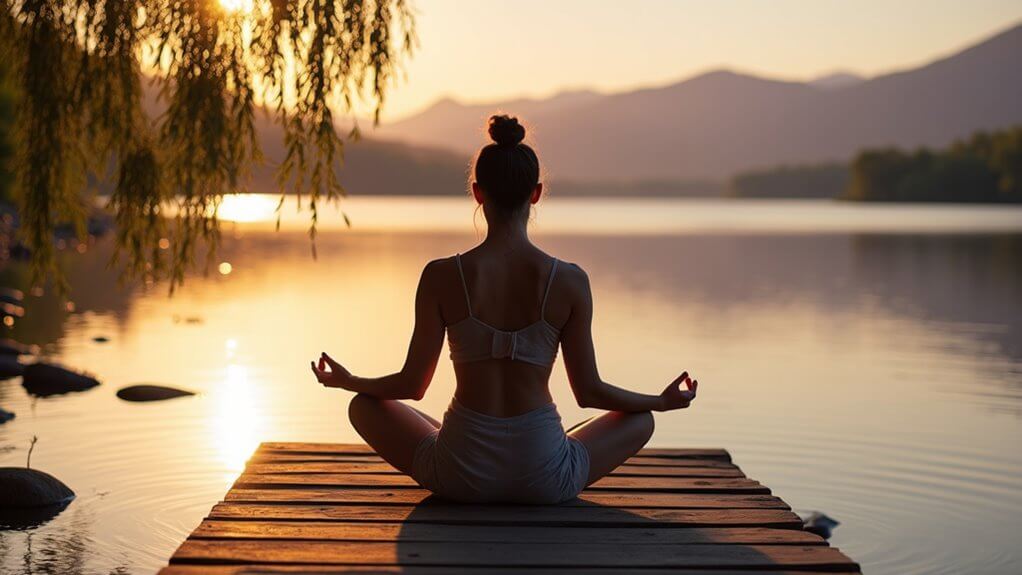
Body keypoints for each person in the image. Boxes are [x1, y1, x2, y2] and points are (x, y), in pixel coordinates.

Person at [311, 114, 699, 504]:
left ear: (478, 193)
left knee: (364, 406)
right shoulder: (569, 281)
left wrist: (349, 380)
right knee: (640, 419)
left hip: (460, 474)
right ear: (537, 193)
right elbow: (589, 392)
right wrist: (660, 402)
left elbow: (411, 385)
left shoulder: (441, 276)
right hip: (544, 477)